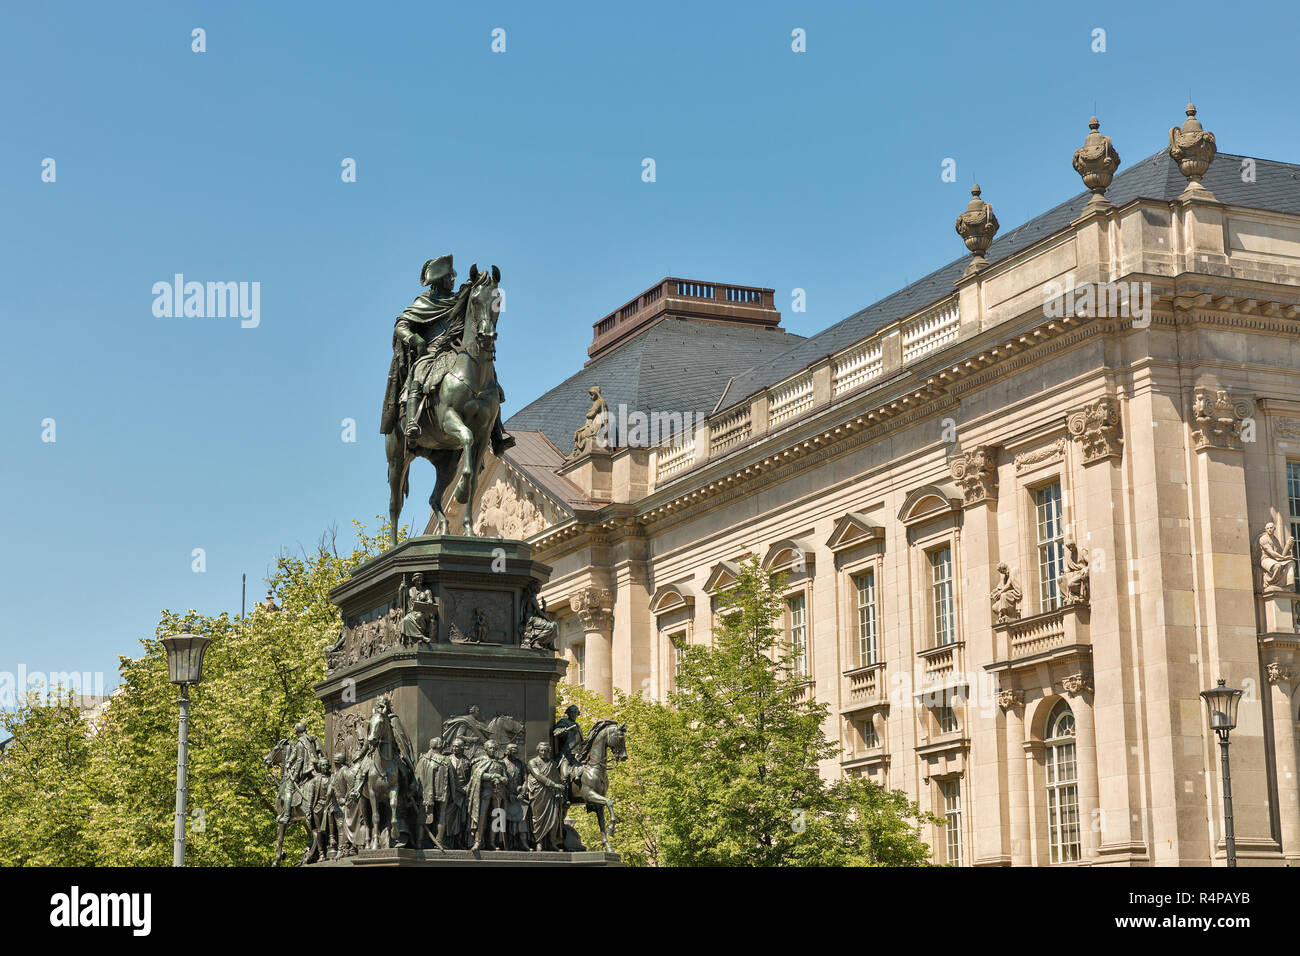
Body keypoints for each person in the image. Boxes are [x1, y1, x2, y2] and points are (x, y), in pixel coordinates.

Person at [382, 254, 514, 455]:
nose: (453, 280)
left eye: (453, 277)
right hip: (431, 352)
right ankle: (412, 422)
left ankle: (497, 433)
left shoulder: (456, 298)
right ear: (439, 279)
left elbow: (474, 294)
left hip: (457, 349)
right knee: (418, 373)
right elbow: (401, 325)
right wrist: (415, 339)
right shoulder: (424, 302)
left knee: (488, 375)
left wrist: (479, 281)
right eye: (449, 277)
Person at [525, 741, 567, 851]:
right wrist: (554, 784)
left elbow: (557, 778)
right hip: (538, 793)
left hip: (551, 795)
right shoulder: (532, 762)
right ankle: (538, 842)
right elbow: (538, 775)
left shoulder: (552, 763)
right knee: (537, 819)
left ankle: (552, 843)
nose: (544, 752)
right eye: (541, 750)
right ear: (538, 751)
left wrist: (559, 789)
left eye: (546, 750)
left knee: (555, 820)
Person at [468, 740, 509, 851]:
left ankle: (492, 842)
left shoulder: (501, 763)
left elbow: (506, 778)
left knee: (495, 817)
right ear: (485, 749)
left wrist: (502, 779)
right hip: (485, 792)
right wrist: (493, 776)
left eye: (494, 748)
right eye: (490, 748)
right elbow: (477, 774)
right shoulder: (480, 761)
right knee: (481, 816)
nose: (492, 750)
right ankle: (478, 841)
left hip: (498, 793)